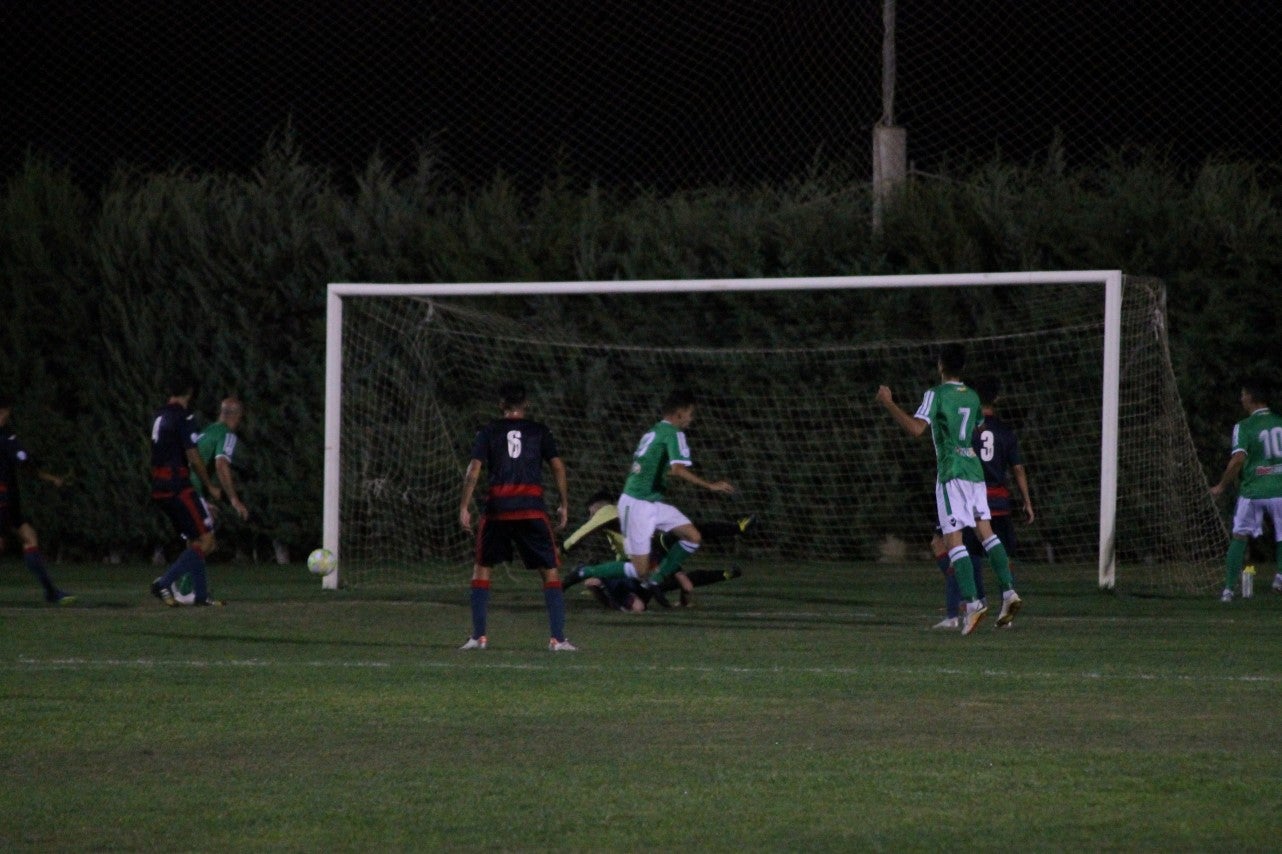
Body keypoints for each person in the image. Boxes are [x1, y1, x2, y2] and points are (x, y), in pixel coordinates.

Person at [877, 344, 1021, 635]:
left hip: (952, 473)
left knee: (953, 540)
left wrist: (889, 403)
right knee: (987, 532)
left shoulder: (936, 394)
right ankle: (1008, 593)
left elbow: (917, 429)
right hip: (974, 471)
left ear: (941, 364)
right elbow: (978, 430)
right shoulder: (972, 395)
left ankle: (973, 603)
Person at [561, 388, 734, 595]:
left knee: (693, 537)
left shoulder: (654, 431)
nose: (691, 418)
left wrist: (660, 475)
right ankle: (585, 571)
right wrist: (710, 485)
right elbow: (678, 469)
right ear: (680, 412)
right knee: (638, 570)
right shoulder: (674, 434)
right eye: (690, 413)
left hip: (649, 502)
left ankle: (656, 580)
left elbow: (660, 467)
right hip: (638, 506)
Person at [458, 382, 574, 651]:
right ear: (526, 405)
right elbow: (558, 466)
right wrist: (564, 504)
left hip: (498, 508)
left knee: (483, 567)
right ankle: (557, 638)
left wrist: (464, 505)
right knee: (550, 571)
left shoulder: (488, 431)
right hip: (531, 508)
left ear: (501, 405)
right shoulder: (540, 431)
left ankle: (479, 637)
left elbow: (474, 469)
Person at [932, 376, 1035, 629]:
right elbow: (1018, 468)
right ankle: (1007, 595)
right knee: (991, 543)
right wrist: (1027, 500)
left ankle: (966, 605)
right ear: (997, 399)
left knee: (950, 544)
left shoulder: (966, 427)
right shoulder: (1005, 432)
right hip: (996, 498)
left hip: (964, 487)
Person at [563, 486, 752, 609]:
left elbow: (583, 533)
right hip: (640, 557)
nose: (590, 516)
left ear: (596, 507)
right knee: (675, 577)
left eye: (590, 512)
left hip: (648, 550)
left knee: (675, 573)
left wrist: (564, 548)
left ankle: (735, 537)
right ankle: (729, 559)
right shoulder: (615, 515)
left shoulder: (608, 512)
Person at [148, 376, 224, 607]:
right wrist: (209, 485)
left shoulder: (158, 415)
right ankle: (165, 582)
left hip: (159, 486)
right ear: (190, 391)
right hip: (178, 487)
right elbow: (193, 457)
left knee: (196, 540)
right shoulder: (184, 416)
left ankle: (200, 595)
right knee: (208, 541)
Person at [171, 397, 250, 604]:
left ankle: (192, 591)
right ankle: (173, 582)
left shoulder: (206, 431)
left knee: (195, 542)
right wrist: (234, 499)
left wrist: (203, 500)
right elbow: (221, 464)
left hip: (178, 484)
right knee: (208, 543)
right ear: (238, 416)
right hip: (189, 488)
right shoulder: (226, 434)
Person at [1209, 378, 1282, 602]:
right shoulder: (1280, 422)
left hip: (1253, 491)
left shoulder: (1244, 426)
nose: (1241, 399)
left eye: (1243, 394)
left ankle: (1229, 590)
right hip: (1280, 489)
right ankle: (1279, 577)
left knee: (1239, 535)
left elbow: (1238, 459)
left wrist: (1222, 485)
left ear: (1250, 397)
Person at [0, 394, 74, 605]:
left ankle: (50, 591)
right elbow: (26, 464)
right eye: (5, 411)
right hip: (4, 498)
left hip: (9, 500)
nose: (7, 415)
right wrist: (52, 479)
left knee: (29, 538)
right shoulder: (7, 437)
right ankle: (50, 592)